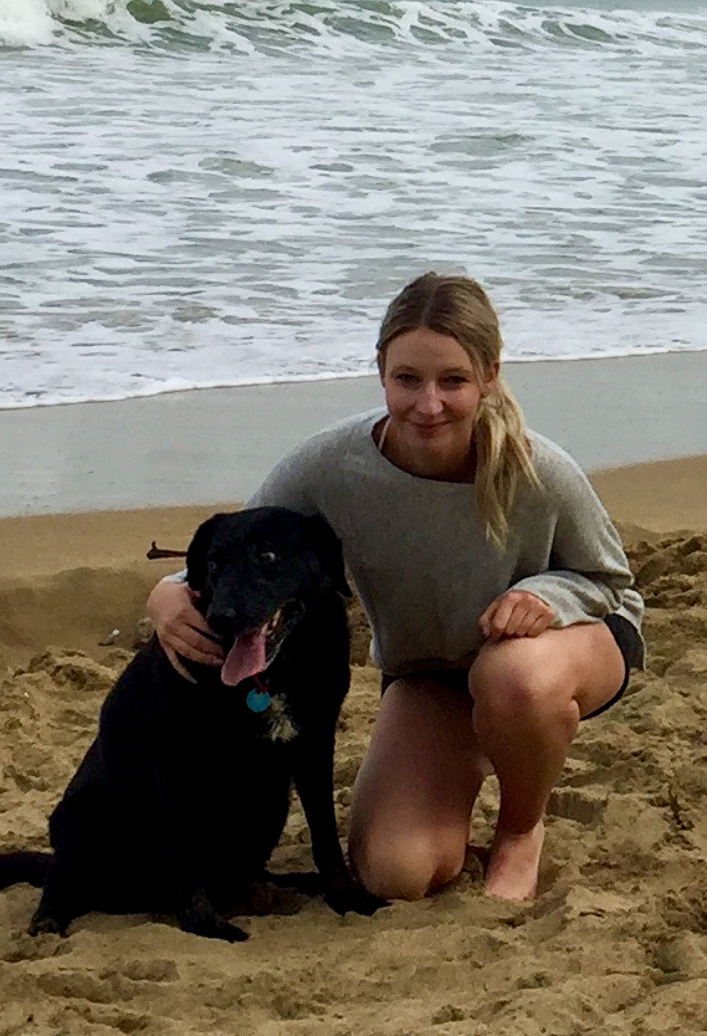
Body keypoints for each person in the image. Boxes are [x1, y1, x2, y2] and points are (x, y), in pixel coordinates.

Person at [145, 271, 643, 904]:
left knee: (513, 677)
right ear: (381, 370)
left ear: (489, 375)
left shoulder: (536, 468)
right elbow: (236, 546)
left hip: (560, 653)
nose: (427, 404)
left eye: (453, 381)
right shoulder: (331, 464)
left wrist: (547, 597)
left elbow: (609, 577)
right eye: (407, 379)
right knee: (395, 874)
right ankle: (473, 751)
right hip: (432, 673)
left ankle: (521, 829)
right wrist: (167, 593)